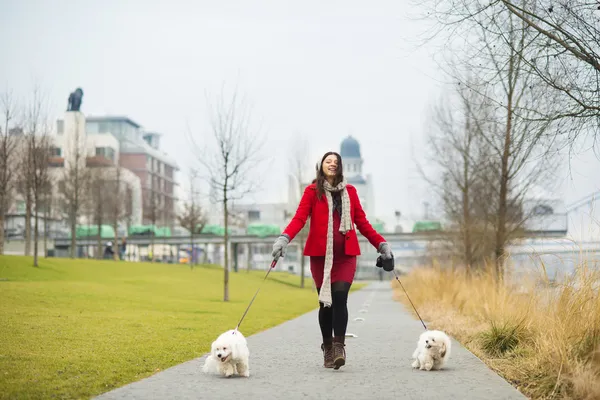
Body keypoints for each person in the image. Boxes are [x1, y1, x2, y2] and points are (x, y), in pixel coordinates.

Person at [272, 151, 393, 370]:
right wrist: (284, 238)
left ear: (341, 168)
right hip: (320, 257)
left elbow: (362, 223)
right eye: (328, 161)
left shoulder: (351, 192)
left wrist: (381, 244)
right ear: (321, 166)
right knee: (325, 304)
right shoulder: (311, 192)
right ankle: (327, 348)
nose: (332, 164)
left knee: (339, 296)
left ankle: (339, 347)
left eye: (336, 162)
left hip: (345, 256)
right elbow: (300, 218)